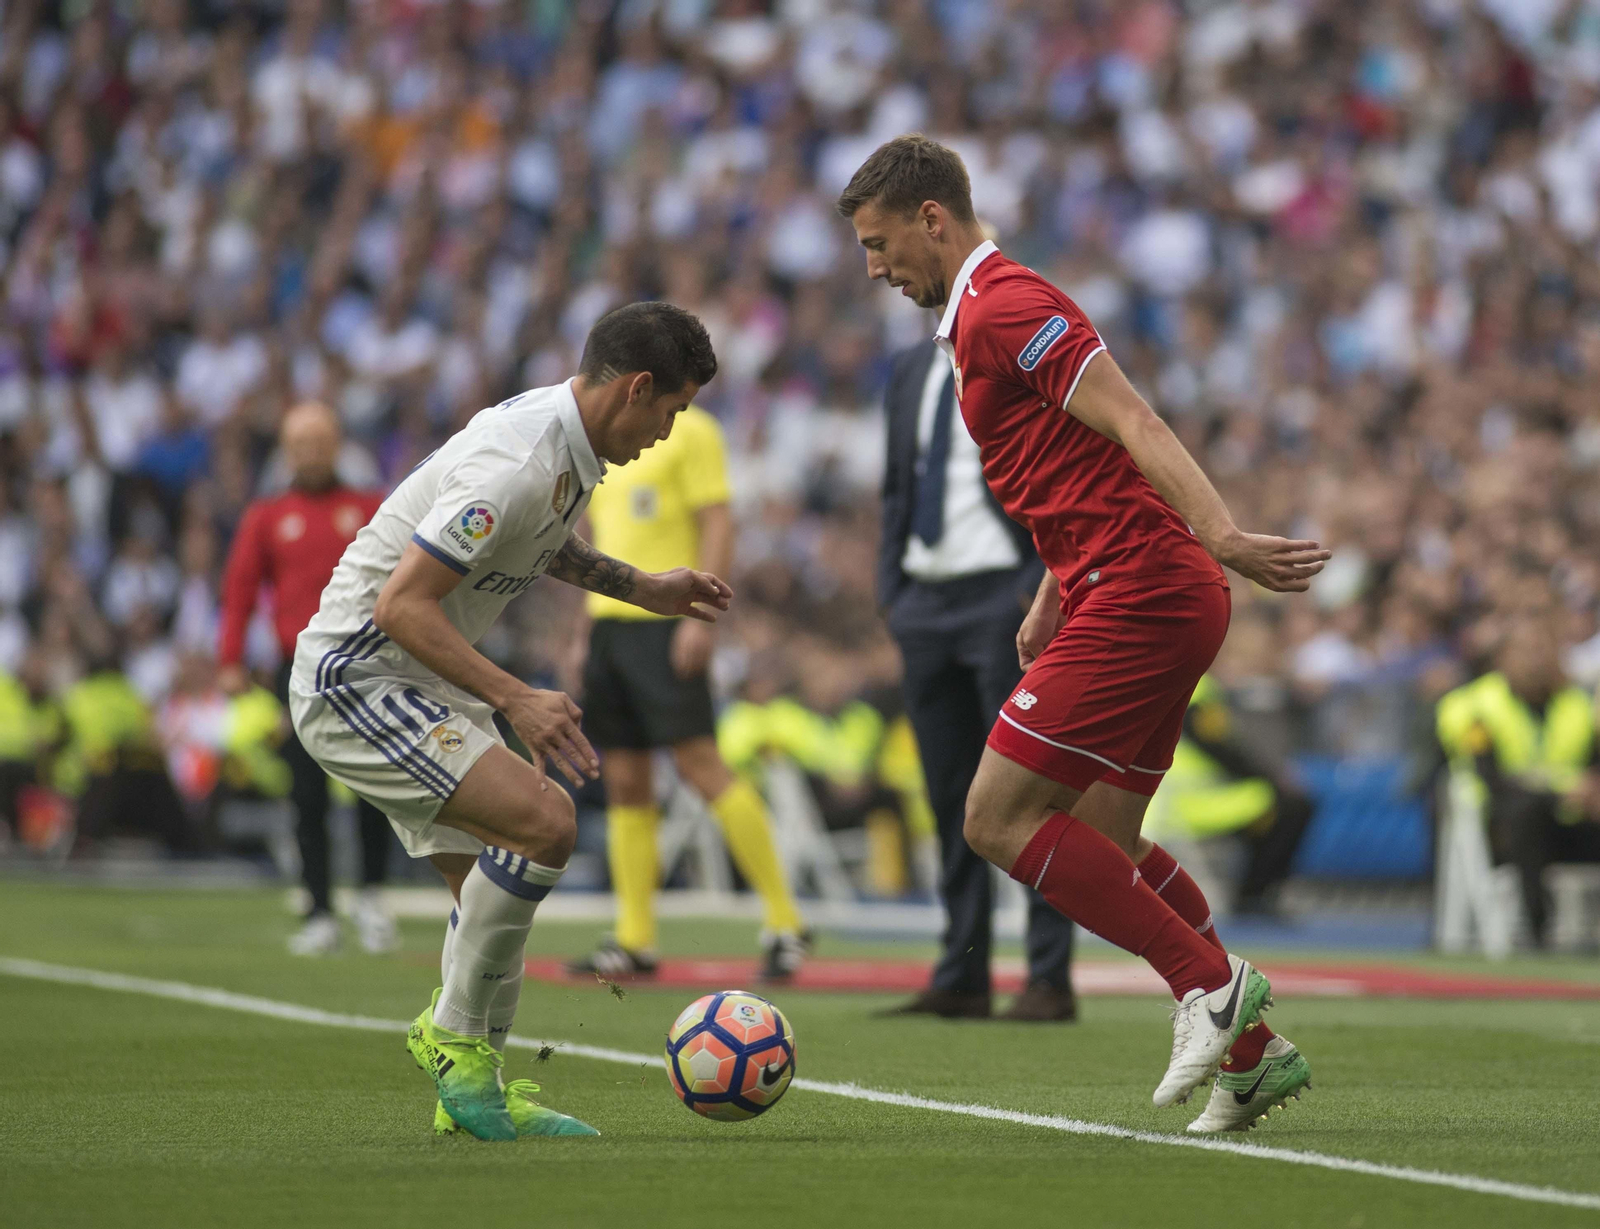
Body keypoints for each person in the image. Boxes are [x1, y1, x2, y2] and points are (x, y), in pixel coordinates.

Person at [837, 135, 1328, 1132]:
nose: (876, 269)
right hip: (1128, 587)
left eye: (880, 245)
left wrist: (1223, 533)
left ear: (933, 218)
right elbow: (1076, 467)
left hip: (1144, 590)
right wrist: (1052, 590)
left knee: (993, 817)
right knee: (1105, 839)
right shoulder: (978, 316)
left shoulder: (1007, 305)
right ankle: (1249, 1057)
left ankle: (1210, 984)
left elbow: (1136, 422)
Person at [288, 301, 727, 1141]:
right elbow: (400, 605)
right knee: (545, 823)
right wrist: (516, 696)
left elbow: (541, 539)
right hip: (359, 676)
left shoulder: (565, 447)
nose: (668, 433)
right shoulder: (518, 460)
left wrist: (643, 587)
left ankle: (472, 1088)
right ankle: (451, 1040)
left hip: (417, 675)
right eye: (671, 411)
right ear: (636, 388)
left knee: (489, 895)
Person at [566, 402, 808, 981]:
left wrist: (703, 618)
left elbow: (717, 522)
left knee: (700, 764)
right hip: (609, 624)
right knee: (625, 779)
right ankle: (635, 938)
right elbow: (597, 541)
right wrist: (582, 631)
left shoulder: (693, 430)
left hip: (665, 621)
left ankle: (785, 922)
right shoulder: (608, 438)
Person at [879, 334, 1076, 1020]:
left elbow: (1057, 469)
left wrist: (1034, 583)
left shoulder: (1011, 350)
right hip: (924, 599)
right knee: (948, 793)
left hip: (1003, 592)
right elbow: (898, 483)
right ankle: (963, 971)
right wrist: (892, 592)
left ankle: (1048, 976)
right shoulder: (910, 367)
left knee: (1028, 788)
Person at [218, 402, 397, 956]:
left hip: (362, 664)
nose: (311, 454)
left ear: (338, 445)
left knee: (376, 788)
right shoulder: (267, 516)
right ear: (286, 452)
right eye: (301, 444)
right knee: (306, 792)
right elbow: (240, 590)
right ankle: (319, 909)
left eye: (320, 442)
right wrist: (230, 659)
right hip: (297, 670)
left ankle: (370, 896)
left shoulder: (369, 508)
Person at [1436, 619, 1600, 947]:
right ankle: (1538, 931)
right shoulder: (1476, 705)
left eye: (1545, 650)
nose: (1536, 659)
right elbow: (1490, 778)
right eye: (1526, 650)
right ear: (1504, 657)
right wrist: (1558, 792)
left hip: (1571, 819)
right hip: (1501, 825)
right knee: (1528, 812)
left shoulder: (1577, 704)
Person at [1144, 675, 1316, 917]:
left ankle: (1254, 892)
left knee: (1282, 807)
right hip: (1189, 803)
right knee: (1292, 806)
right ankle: (1255, 894)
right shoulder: (1197, 684)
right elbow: (1220, 748)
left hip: (1174, 798)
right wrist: (1272, 778)